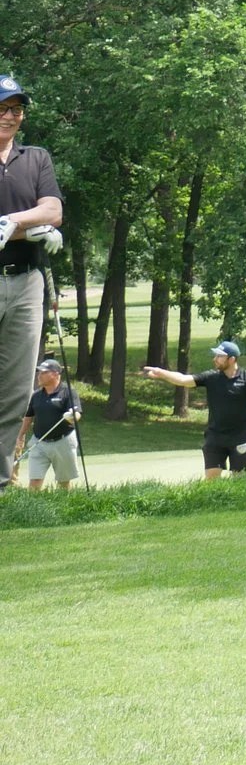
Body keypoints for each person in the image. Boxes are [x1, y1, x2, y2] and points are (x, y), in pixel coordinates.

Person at [0, 76, 65, 431]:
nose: (10, 116)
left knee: (16, 390)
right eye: (2, 108)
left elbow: (53, 212)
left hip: (27, 282)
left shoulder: (36, 158)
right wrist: (31, 228)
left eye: (17, 109)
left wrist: (13, 223)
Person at [145, 339, 246, 479]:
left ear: (232, 359)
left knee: (243, 482)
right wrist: (161, 373)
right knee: (212, 480)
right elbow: (184, 380)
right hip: (215, 437)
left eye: (220, 356)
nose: (215, 359)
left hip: (241, 437)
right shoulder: (211, 377)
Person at [14, 355, 81, 491]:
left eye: (44, 372)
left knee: (63, 483)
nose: (39, 375)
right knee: (34, 481)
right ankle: (32, 510)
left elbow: (77, 413)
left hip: (63, 442)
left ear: (55, 374)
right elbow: (28, 417)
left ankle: (65, 507)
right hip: (39, 442)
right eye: (39, 372)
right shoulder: (37, 395)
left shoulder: (67, 392)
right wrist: (20, 436)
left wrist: (71, 416)